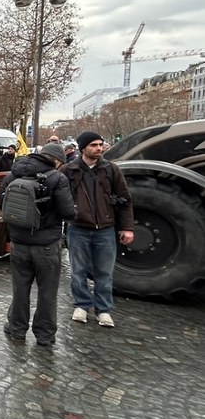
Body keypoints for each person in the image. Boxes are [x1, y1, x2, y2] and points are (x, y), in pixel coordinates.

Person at [0, 143, 76, 346]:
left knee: (20, 289)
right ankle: (44, 335)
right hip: (46, 244)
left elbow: (1, 204)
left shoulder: (13, 174)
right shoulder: (57, 178)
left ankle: (16, 328)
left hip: (18, 242)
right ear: (57, 161)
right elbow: (68, 212)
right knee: (47, 292)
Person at [61, 130, 134, 328]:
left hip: (105, 230)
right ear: (83, 148)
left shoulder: (111, 169)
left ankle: (103, 310)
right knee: (78, 270)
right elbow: (58, 197)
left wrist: (127, 228)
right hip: (78, 229)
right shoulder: (69, 170)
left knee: (104, 272)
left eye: (101, 145)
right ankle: (81, 305)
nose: (99, 148)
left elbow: (125, 199)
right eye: (94, 145)